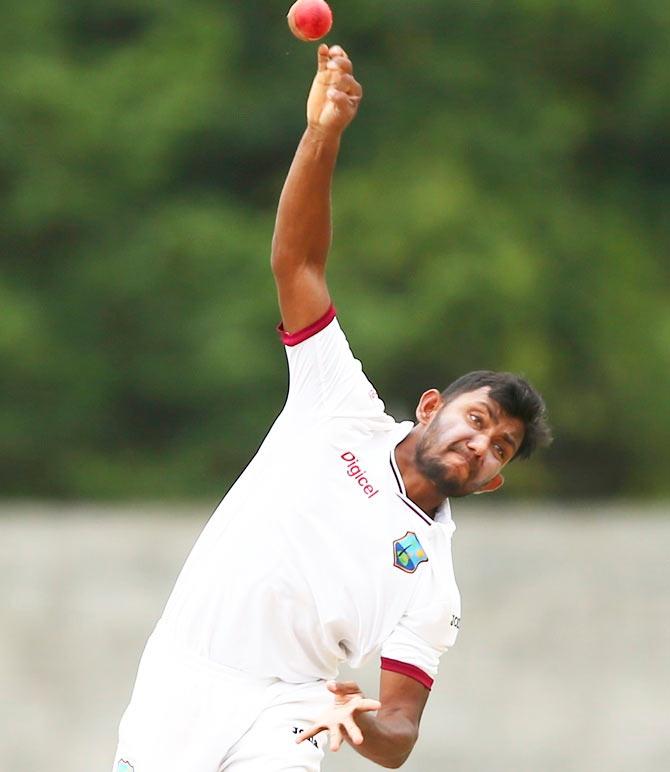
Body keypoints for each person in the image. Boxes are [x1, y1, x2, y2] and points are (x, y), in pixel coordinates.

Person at [112, 43, 551, 772]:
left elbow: (400, 736)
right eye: (478, 420)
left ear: (492, 482)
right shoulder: (337, 404)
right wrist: (324, 134)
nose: (482, 444)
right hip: (185, 673)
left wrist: (362, 723)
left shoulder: (433, 583)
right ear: (432, 405)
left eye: (500, 447)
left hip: (293, 709)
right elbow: (298, 265)